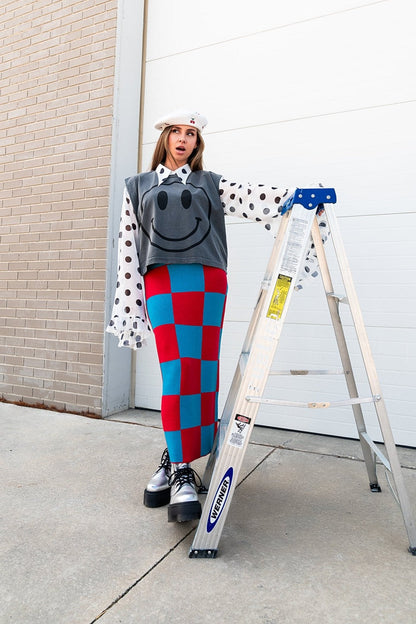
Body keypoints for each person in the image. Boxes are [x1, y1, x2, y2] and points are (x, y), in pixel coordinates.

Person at [107, 110, 327, 523]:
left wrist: (299, 197)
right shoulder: (136, 186)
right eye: (176, 131)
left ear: (197, 142)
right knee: (177, 373)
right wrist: (130, 303)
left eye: (191, 133)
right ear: (165, 138)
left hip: (208, 283)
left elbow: (254, 196)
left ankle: (176, 461)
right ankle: (180, 468)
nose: (184, 139)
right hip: (162, 282)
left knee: (204, 371)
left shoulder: (210, 183)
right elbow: (126, 248)